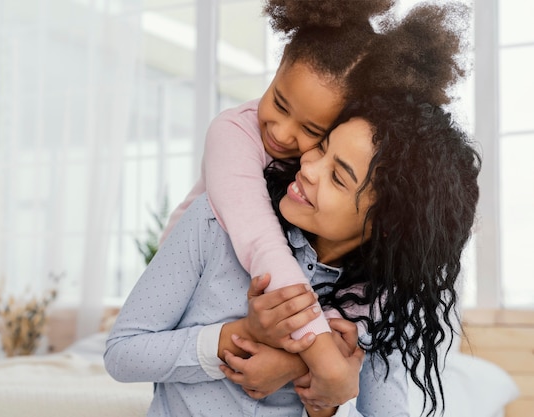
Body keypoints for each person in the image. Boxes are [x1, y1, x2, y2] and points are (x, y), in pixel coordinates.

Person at [104, 91, 481, 417]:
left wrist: (327, 405)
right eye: (322, 146)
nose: (309, 168)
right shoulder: (214, 223)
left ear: (386, 225)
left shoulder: (384, 303)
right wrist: (241, 337)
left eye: (338, 177)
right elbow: (123, 353)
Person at [159, 0, 469, 346]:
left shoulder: (324, 171)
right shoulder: (233, 132)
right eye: (278, 102)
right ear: (277, 70)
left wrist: (325, 351)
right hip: (181, 288)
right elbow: (259, 238)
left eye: (311, 130)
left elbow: (377, 295)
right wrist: (316, 345)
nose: (281, 133)